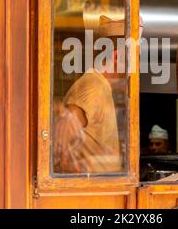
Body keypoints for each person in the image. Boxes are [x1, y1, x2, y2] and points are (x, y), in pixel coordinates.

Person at [53, 16, 126, 174]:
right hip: (92, 194)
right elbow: (61, 144)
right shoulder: (92, 87)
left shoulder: (101, 87)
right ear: (117, 57)